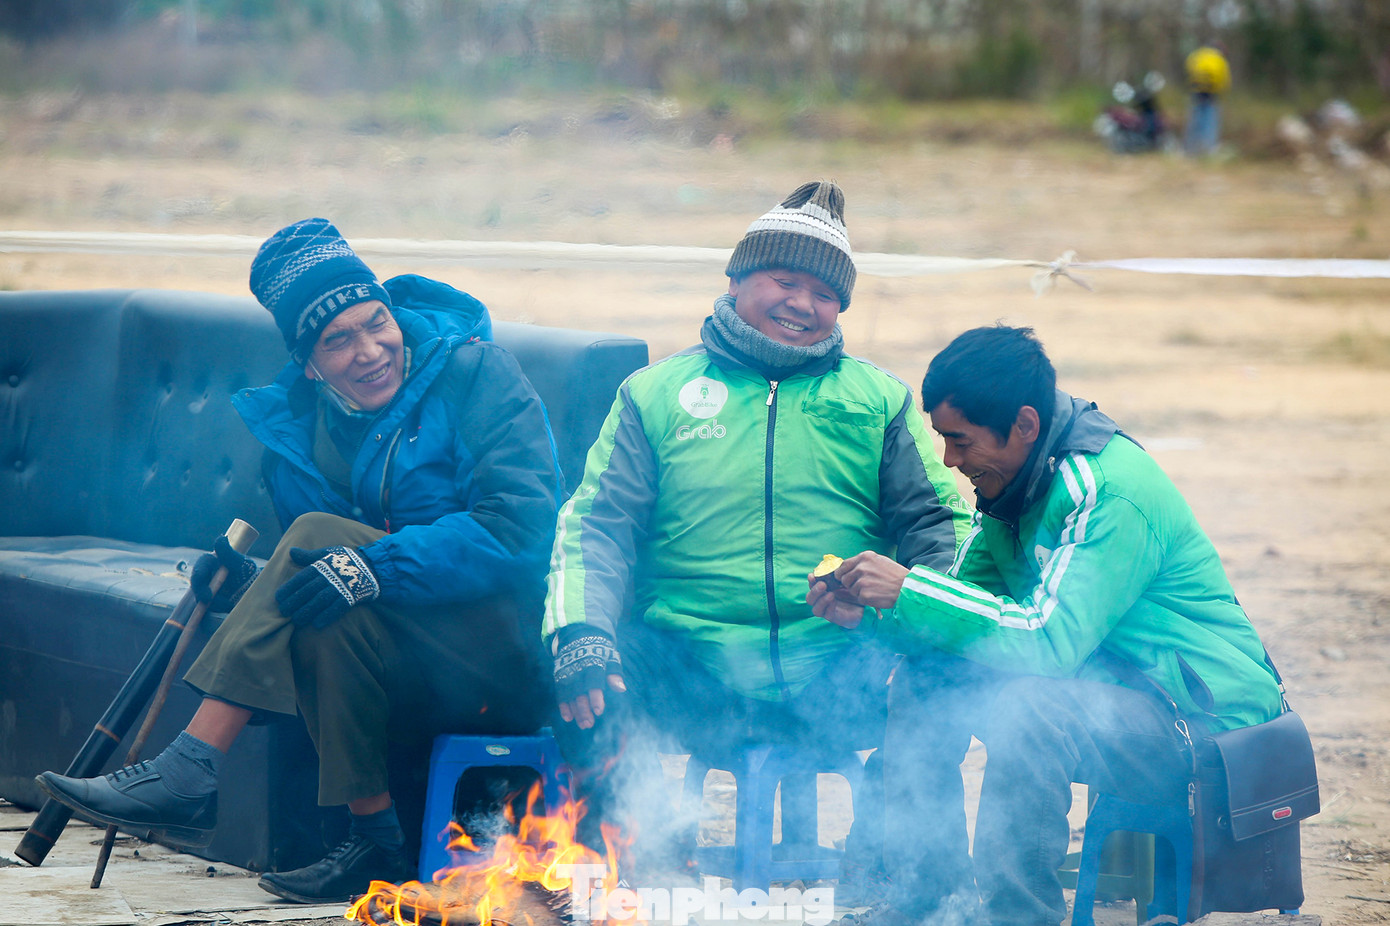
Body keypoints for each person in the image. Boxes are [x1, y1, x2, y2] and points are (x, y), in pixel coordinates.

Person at [38, 218, 563, 903]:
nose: (371, 350)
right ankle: (375, 841)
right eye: (338, 340)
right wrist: (240, 588)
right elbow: (313, 581)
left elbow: (522, 527)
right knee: (321, 600)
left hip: (506, 647)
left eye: (378, 322)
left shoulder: (476, 374)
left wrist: (374, 567)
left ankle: (192, 768)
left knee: (322, 536)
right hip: (405, 656)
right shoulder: (297, 437)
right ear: (308, 361)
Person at [543, 180, 971, 882]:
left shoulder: (876, 398)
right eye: (784, 279)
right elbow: (596, 527)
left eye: (825, 294)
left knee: (947, 669)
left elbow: (940, 528)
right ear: (737, 279)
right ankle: (639, 867)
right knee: (579, 659)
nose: (803, 305)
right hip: (692, 675)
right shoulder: (655, 395)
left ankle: (898, 867)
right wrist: (580, 632)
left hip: (837, 672)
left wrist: (912, 611)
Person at [810, 325, 1283, 926]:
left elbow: (1047, 641)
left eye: (960, 441)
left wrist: (911, 587)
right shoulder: (1013, 486)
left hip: (1204, 723)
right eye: (943, 442)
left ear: (1025, 426)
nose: (951, 461)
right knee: (927, 676)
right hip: (1111, 695)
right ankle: (930, 900)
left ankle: (1019, 916)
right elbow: (962, 612)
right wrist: (871, 616)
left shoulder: (1107, 491)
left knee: (1031, 710)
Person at [1185, 42, 1231, 156]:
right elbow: (1224, 80)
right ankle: (1208, 148)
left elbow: (1189, 68)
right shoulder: (1220, 60)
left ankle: (1190, 148)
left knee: (1195, 120)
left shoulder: (1198, 55)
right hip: (1211, 94)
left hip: (1196, 92)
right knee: (1210, 121)